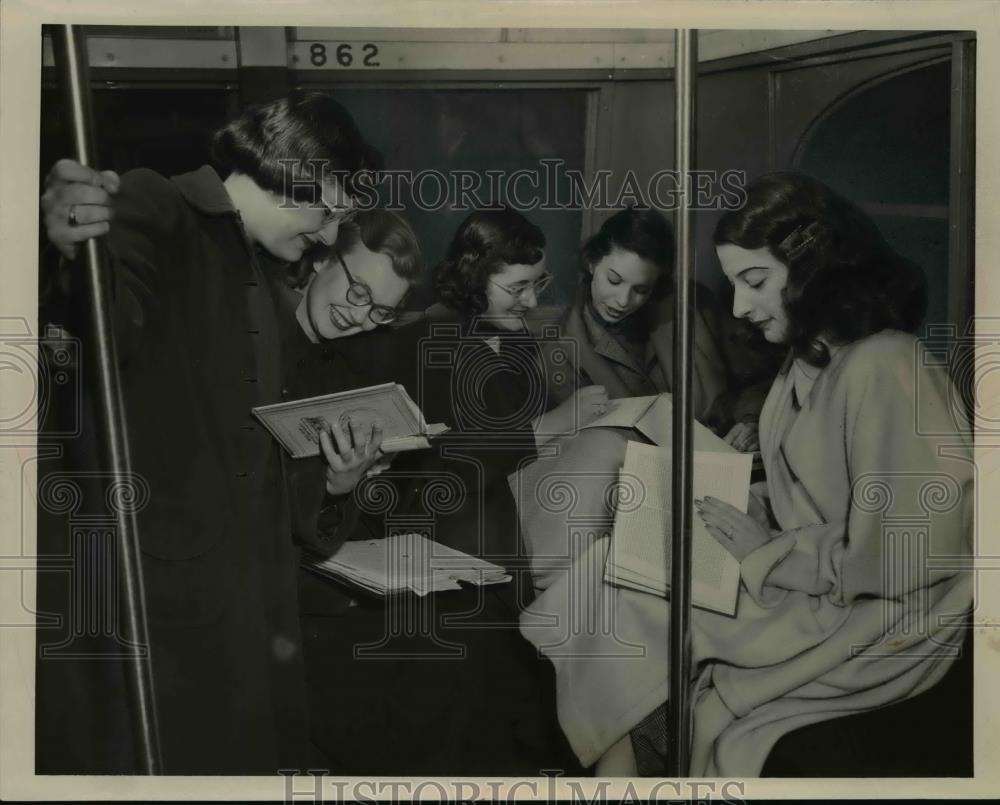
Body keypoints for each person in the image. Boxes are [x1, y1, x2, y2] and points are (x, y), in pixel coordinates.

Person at [513, 172, 973, 776]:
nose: (738, 307)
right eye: (733, 285)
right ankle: (611, 761)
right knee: (613, 563)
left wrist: (770, 553)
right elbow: (809, 499)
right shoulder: (807, 363)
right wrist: (733, 502)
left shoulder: (889, 363)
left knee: (631, 589)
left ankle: (611, 766)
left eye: (754, 282)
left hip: (877, 612)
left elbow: (914, 550)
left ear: (816, 272)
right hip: (810, 578)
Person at [36, 92, 418, 774]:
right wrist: (68, 250)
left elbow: (256, 456)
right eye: (326, 211)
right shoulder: (159, 204)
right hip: (152, 594)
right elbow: (102, 322)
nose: (330, 236)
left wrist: (334, 481)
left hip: (236, 598)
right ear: (288, 167)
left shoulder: (263, 273)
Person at [298, 208, 584, 775]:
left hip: (385, 538)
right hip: (343, 557)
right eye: (357, 292)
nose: (360, 316)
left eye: (379, 310)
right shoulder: (427, 340)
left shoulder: (499, 341)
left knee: (505, 659)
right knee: (475, 659)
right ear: (318, 261)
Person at [537, 206, 776, 450]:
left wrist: (750, 420)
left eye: (641, 289)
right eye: (614, 280)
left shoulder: (692, 305)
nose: (623, 300)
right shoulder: (559, 351)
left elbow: (758, 379)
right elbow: (576, 450)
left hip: (722, 458)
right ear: (591, 263)